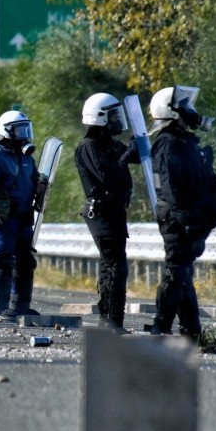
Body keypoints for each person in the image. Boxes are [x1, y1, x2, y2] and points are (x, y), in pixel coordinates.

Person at [146, 85, 216, 340]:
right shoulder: (168, 144)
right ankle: (161, 326)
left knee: (183, 273)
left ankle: (191, 330)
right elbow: (172, 190)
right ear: (172, 112)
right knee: (176, 271)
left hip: (186, 218)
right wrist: (188, 221)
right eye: (185, 107)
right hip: (177, 220)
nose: (191, 112)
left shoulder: (182, 142)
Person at [75, 93, 136, 333]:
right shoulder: (88, 147)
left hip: (115, 212)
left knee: (111, 265)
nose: (116, 120)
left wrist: (141, 142)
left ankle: (109, 320)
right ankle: (112, 321)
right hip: (102, 213)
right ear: (99, 117)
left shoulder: (110, 144)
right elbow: (107, 176)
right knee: (115, 266)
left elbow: (135, 158)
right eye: (112, 115)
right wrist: (127, 154)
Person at [0, 110, 40, 320]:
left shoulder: (27, 158)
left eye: (26, 128)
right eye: (19, 129)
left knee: (25, 261)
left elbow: (34, 180)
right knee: (3, 259)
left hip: (24, 216)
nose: (24, 134)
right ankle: (0, 307)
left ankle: (20, 306)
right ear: (6, 131)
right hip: (3, 218)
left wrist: (42, 186)